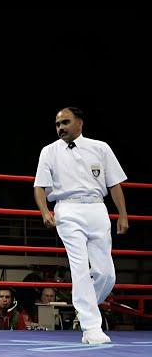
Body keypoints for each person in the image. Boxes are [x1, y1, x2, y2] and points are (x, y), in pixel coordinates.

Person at [33, 106, 128, 344]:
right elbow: (39, 186)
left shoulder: (100, 148)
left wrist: (123, 215)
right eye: (57, 124)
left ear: (80, 123)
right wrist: (45, 211)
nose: (61, 128)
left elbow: (114, 183)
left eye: (65, 122)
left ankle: (84, 308)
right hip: (67, 209)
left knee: (106, 274)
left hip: (97, 208)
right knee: (79, 269)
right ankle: (91, 327)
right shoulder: (49, 151)